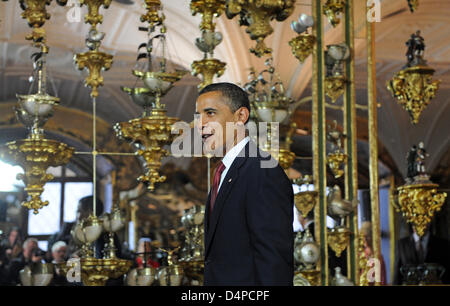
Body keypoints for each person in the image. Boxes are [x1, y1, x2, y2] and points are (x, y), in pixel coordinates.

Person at [195, 82, 293, 285]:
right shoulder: (223, 171)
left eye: (210, 113)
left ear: (241, 117)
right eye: (198, 116)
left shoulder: (262, 171)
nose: (200, 124)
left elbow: (273, 261)